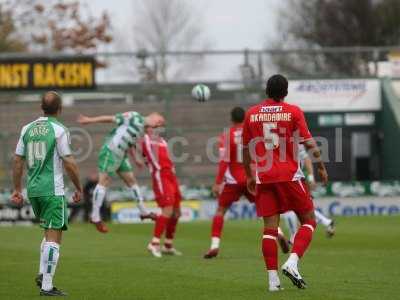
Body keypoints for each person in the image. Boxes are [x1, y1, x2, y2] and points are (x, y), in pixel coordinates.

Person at [242, 74, 329, 292]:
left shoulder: (251, 114)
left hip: (264, 177)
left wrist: (250, 175)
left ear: (266, 91)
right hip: (289, 176)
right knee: (309, 220)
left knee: (269, 230)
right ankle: (291, 263)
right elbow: (310, 144)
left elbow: (245, 150)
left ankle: (273, 282)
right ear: (286, 92)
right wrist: (320, 166)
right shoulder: (293, 111)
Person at [11, 91, 82, 296]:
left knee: (49, 233)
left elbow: (17, 160)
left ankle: (43, 274)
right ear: (59, 109)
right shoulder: (59, 129)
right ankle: (47, 286)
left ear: (41, 108)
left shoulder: (27, 128)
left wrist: (17, 189)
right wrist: (78, 188)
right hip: (52, 189)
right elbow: (68, 161)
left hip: (33, 190)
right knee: (54, 237)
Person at [203, 107, 290, 259]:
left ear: (231, 119)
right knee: (267, 211)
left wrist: (217, 183)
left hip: (233, 181)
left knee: (220, 211)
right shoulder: (253, 131)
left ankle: (214, 246)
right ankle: (280, 233)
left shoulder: (227, 136)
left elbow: (224, 161)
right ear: (245, 118)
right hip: (253, 177)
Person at [137, 126, 183, 257]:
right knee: (167, 209)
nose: (156, 128)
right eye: (153, 126)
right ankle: (154, 243)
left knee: (176, 212)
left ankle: (168, 245)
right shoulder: (145, 139)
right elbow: (134, 147)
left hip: (171, 175)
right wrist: (141, 160)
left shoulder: (162, 141)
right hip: (160, 176)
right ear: (147, 128)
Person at [282, 145, 335, 243]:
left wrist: (310, 178)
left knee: (291, 208)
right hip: (292, 178)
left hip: (296, 179)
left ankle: (294, 237)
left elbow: (306, 159)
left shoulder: (294, 141)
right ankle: (327, 222)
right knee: (302, 207)